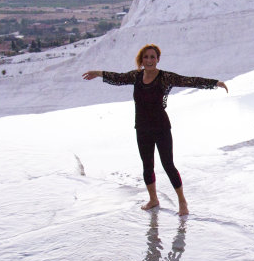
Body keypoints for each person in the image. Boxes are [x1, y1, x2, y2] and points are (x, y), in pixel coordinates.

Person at [82, 44, 228, 216]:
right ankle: (153, 199)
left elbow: (189, 80)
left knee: (168, 165)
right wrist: (97, 73)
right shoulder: (136, 76)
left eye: (153, 57)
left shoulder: (165, 77)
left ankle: (182, 202)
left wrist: (215, 83)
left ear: (158, 59)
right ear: (141, 60)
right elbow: (118, 77)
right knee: (147, 166)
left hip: (161, 127)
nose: (149, 60)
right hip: (142, 128)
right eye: (146, 57)